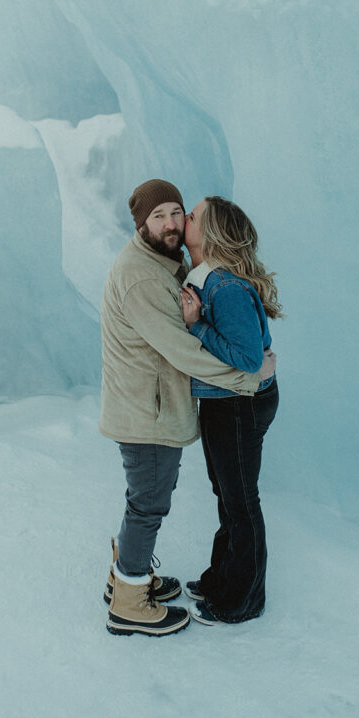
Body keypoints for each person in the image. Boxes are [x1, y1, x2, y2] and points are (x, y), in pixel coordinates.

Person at [100, 179, 276, 637]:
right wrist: (244, 376)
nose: (174, 222)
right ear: (141, 223)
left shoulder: (182, 269)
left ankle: (141, 581)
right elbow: (185, 348)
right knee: (150, 504)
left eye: (180, 212)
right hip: (150, 411)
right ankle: (130, 598)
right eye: (159, 216)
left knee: (223, 500)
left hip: (194, 406)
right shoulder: (147, 274)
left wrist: (244, 368)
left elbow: (242, 348)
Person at [179, 196, 282, 625]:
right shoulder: (206, 279)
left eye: (193, 216)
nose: (184, 217)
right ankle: (221, 577)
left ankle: (241, 601)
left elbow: (246, 357)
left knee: (240, 502)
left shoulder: (225, 287)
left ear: (212, 234)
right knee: (228, 495)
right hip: (226, 404)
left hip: (239, 406)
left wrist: (196, 324)